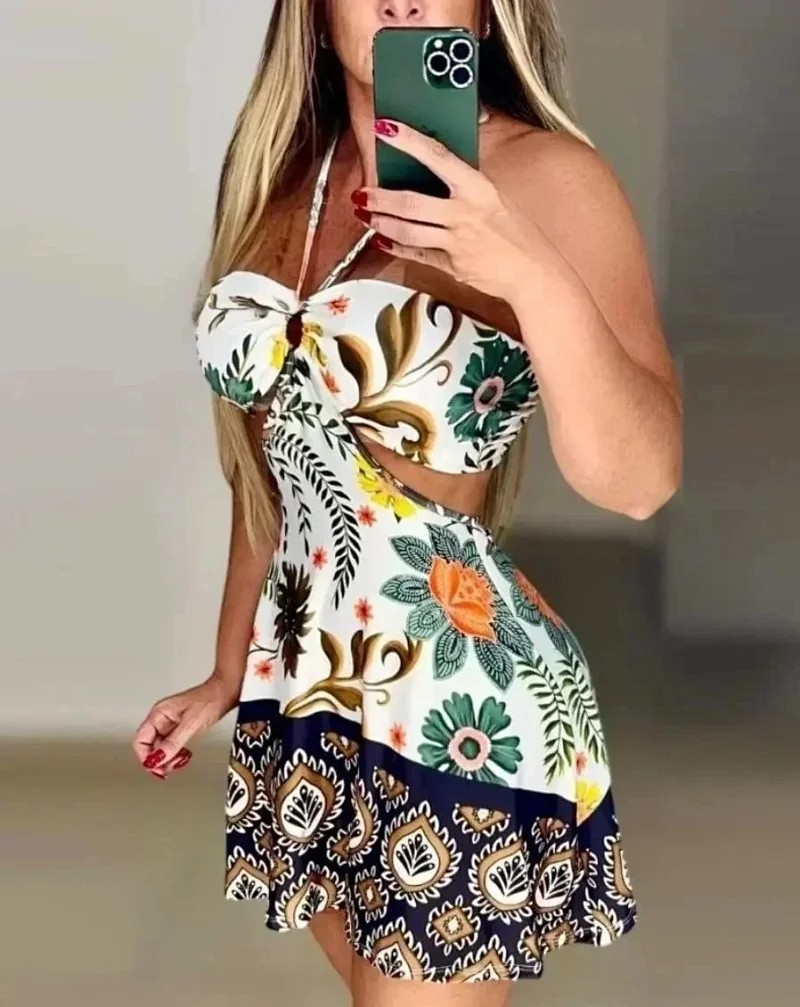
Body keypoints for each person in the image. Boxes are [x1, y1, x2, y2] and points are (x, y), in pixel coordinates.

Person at [133, 1, 682, 1002]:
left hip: (455, 709)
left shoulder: (549, 181)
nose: (401, 2)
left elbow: (640, 480)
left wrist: (524, 267)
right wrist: (226, 669)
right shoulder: (280, 183)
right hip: (310, 703)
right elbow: (273, 466)